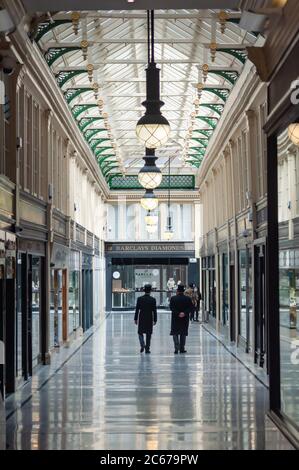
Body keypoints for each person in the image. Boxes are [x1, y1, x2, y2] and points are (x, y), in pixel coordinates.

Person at [170, 284, 194, 354]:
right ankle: (182, 348)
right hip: (184, 318)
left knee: (175, 332)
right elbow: (191, 308)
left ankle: (176, 348)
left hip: (175, 318)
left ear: (177, 291)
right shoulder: (188, 299)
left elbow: (171, 308)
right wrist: (184, 313)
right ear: (183, 291)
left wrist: (178, 313)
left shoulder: (173, 298)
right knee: (183, 333)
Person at [134, 284, 157, 354]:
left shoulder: (139, 299)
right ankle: (147, 349)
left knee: (140, 332)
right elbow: (154, 310)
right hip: (149, 317)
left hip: (141, 317)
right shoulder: (153, 300)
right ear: (150, 291)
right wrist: (155, 320)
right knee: (148, 333)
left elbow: (137, 309)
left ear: (144, 290)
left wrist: (135, 318)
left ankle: (142, 344)